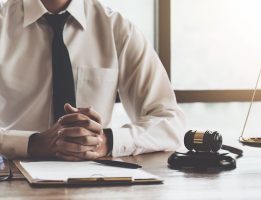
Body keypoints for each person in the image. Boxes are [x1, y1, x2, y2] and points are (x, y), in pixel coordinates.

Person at [0, 0, 186, 160]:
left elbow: (170, 123)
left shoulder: (117, 29)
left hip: (94, 178)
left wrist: (107, 141)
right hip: (13, 177)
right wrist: (33, 143)